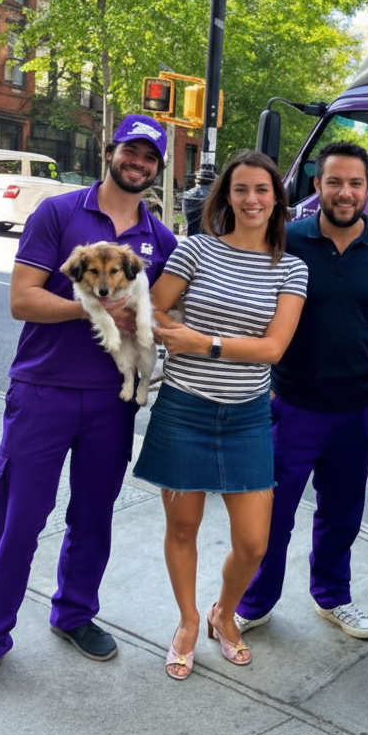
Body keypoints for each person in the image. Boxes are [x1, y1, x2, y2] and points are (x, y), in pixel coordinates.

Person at [0, 114, 177, 703]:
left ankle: (74, 613)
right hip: (45, 390)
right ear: (112, 152)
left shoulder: (161, 238)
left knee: (93, 517)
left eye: (149, 157)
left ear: (158, 168)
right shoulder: (59, 213)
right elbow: (22, 300)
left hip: (111, 402)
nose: (138, 163)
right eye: (130, 151)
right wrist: (95, 308)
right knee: (18, 521)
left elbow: (169, 317)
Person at [132, 151, 307, 679]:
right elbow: (155, 307)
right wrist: (169, 334)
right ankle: (188, 621)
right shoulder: (196, 251)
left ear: (277, 198)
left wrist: (201, 341)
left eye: (261, 190)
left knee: (254, 543)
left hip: (248, 417)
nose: (251, 199)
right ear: (225, 197)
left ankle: (223, 612)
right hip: (184, 407)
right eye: (240, 190)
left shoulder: (292, 267)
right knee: (182, 528)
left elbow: (274, 348)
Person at [234, 141, 368, 640]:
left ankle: (333, 596)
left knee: (342, 514)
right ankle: (254, 602)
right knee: (271, 513)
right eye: (334, 181)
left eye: (355, 182)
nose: (345, 192)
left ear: (367, 187)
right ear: (317, 186)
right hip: (291, 405)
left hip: (359, 408)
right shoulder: (287, 239)